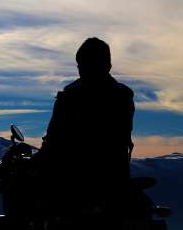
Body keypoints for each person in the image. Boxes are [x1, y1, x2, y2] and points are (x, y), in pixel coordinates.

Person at [37, 37, 135, 216]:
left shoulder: (72, 95)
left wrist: (40, 158)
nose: (79, 69)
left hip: (77, 177)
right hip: (116, 174)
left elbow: (55, 136)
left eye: (81, 64)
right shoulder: (123, 95)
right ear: (109, 65)